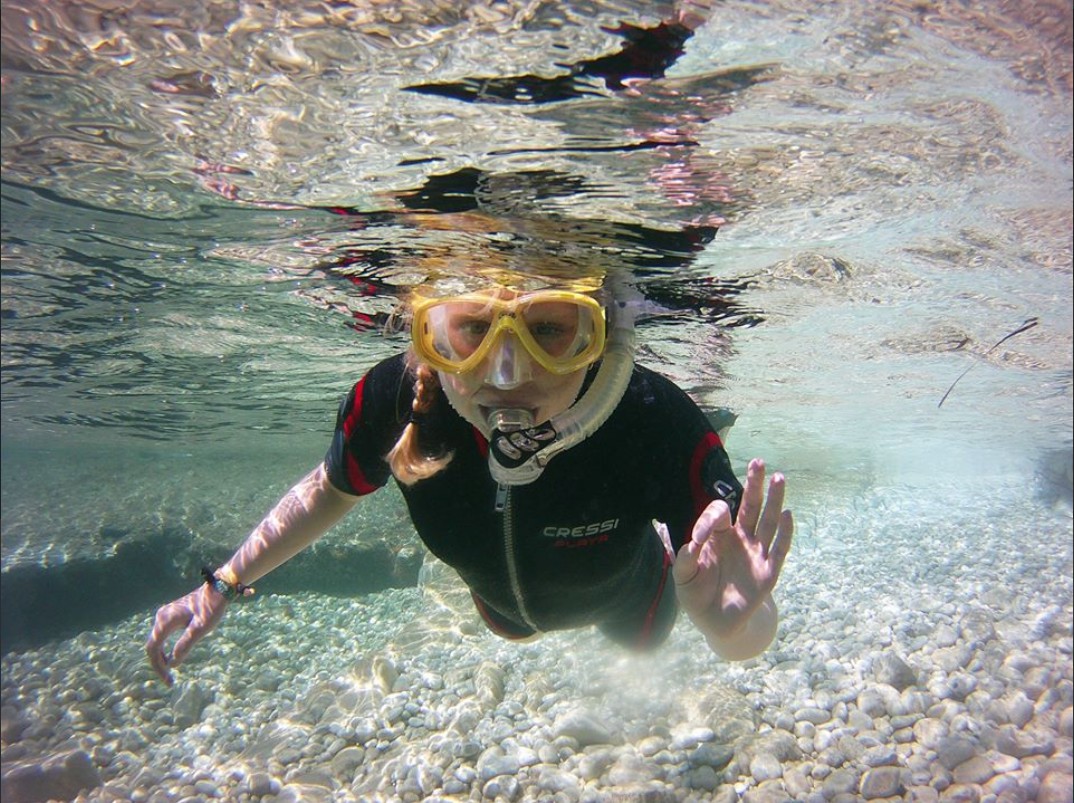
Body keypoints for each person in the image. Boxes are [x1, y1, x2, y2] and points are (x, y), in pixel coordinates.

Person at [146, 269, 794, 686]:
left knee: (644, 646)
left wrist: (729, 627)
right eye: (474, 330)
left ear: (600, 335)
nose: (506, 374)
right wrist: (225, 581)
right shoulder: (397, 402)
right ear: (431, 332)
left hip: (632, 603)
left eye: (548, 330)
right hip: (501, 612)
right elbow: (327, 490)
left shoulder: (655, 421)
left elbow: (744, 627)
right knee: (508, 626)